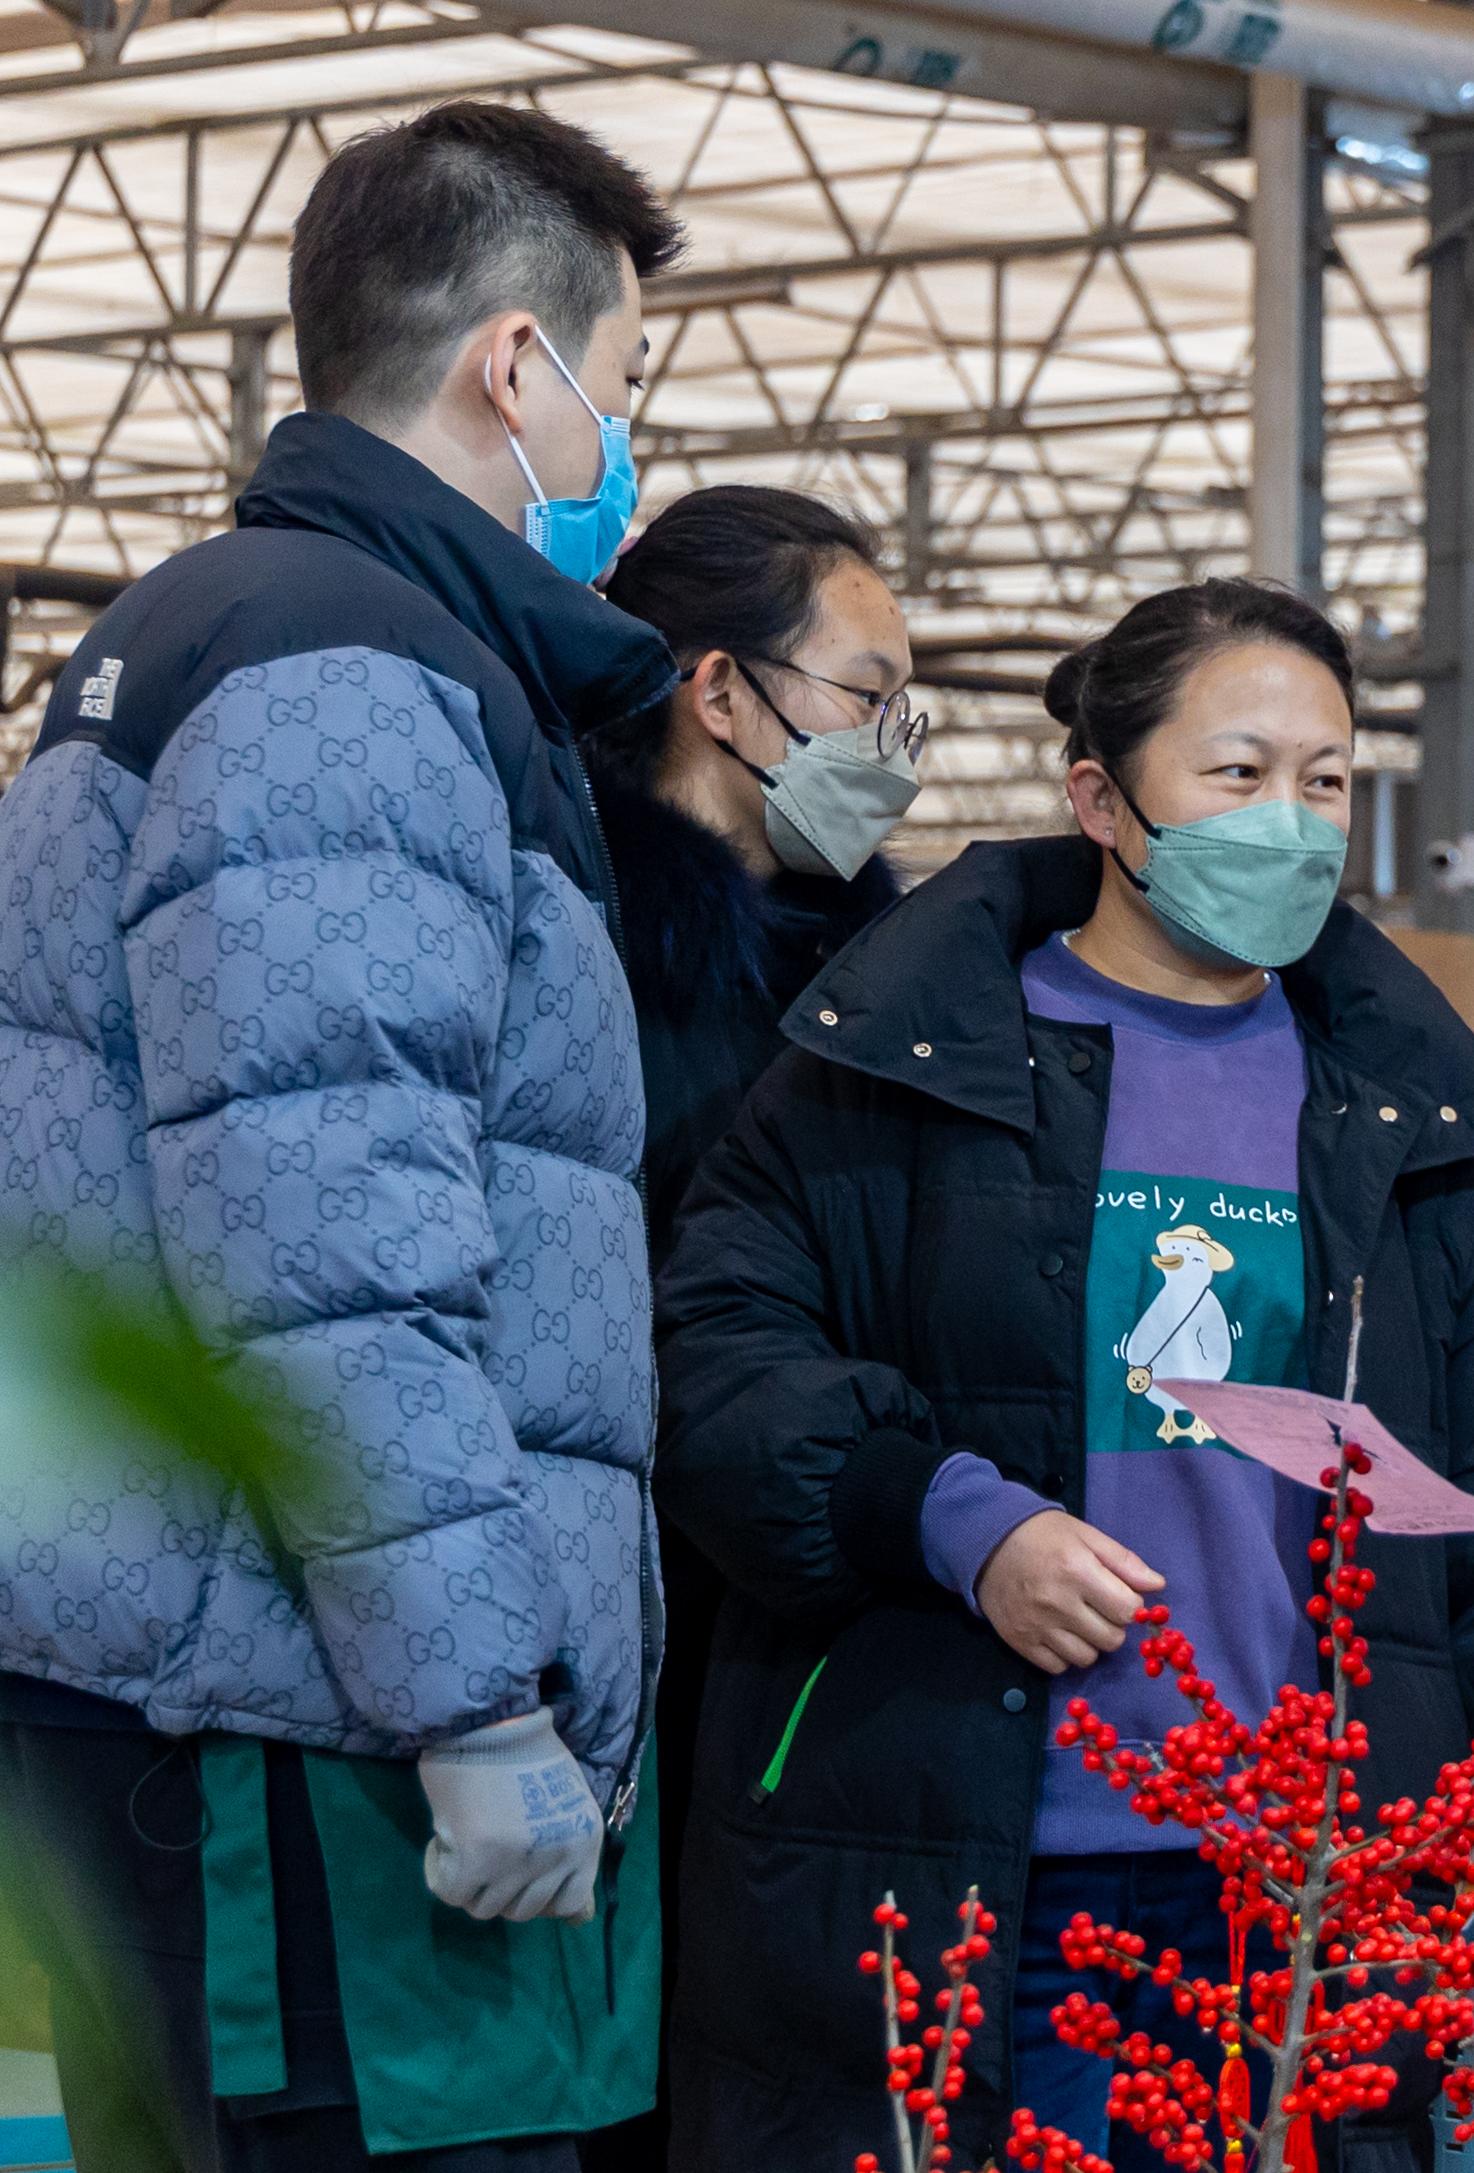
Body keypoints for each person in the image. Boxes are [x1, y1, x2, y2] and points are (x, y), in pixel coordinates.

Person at [0, 102, 685, 2172]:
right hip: (298, 1728)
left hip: (190, 1676)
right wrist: (475, 1699)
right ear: (519, 364)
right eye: (625, 386)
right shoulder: (351, 678)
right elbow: (325, 1241)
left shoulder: (211, 633)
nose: (621, 453)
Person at [649, 578, 1474, 2171]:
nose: (1292, 823)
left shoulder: (1396, 1123)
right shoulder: (901, 1070)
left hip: (1320, 1885)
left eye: (1325, 780)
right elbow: (715, 1355)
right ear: (1102, 799)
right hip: (1003, 1860)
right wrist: (956, 1518)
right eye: (1235, 774)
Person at [574, 485, 916, 2173]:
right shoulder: (580, 962)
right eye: (867, 696)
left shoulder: (897, 986)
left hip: (845, 1632)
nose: (895, 746)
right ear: (721, 693)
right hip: (639, 1640)